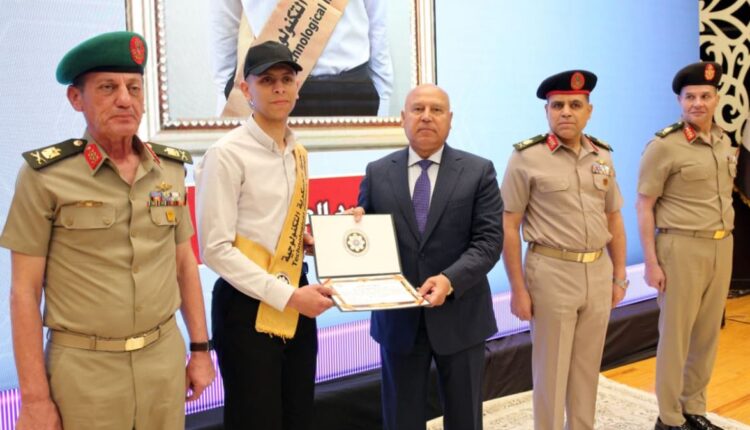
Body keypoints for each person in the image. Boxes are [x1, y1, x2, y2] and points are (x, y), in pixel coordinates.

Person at [0, 31, 214, 429]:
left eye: (133, 87)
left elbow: (184, 263)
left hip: (163, 362)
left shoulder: (168, 170)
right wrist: (34, 398)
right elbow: (24, 292)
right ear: (76, 98)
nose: (125, 99)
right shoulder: (45, 177)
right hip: (84, 372)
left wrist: (201, 349)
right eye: (107, 87)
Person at [195, 41, 334, 430]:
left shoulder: (297, 151)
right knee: (254, 420)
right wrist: (287, 295)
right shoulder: (226, 154)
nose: (279, 88)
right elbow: (215, 249)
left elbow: (272, 227)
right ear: (245, 89)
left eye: (287, 79)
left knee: (298, 415)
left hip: (296, 297)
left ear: (297, 87)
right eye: (267, 80)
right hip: (246, 307)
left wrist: (307, 242)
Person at [355, 83, 503, 430]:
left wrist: (450, 279)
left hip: (461, 316)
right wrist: (352, 227)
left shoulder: (478, 171)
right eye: (417, 109)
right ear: (402, 118)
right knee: (400, 419)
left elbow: (488, 241)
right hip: (398, 322)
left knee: (465, 419)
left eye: (436, 110)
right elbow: (368, 234)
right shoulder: (377, 172)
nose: (426, 117)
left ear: (450, 119)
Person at [500, 70, 627, 430]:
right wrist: (518, 289)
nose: (566, 112)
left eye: (575, 105)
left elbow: (613, 218)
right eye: (557, 105)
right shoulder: (526, 157)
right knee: (551, 372)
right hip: (551, 272)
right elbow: (509, 225)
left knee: (587, 369)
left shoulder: (602, 155)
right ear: (547, 111)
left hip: (597, 272)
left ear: (589, 111)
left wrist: (619, 276)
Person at [637, 61, 734, 430]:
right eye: (690, 96)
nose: (698, 103)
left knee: (707, 334)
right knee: (676, 337)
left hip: (721, 245)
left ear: (716, 98)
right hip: (680, 248)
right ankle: (669, 417)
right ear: (680, 101)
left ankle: (694, 408)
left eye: (705, 96)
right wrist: (651, 262)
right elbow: (644, 205)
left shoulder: (724, 141)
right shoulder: (664, 146)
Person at [210, 0, 394, 116]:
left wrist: (383, 101)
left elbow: (378, 24)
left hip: (349, 90)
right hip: (274, 88)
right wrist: (225, 101)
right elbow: (225, 26)